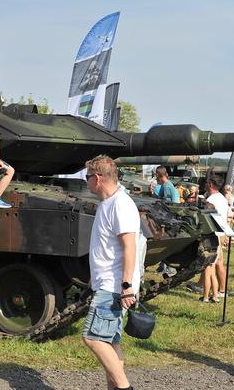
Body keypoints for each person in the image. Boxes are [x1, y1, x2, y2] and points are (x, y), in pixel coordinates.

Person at [82, 155, 139, 390]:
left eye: (87, 178)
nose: (86, 182)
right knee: (110, 342)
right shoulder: (108, 203)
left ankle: (125, 388)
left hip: (114, 286)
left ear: (97, 178)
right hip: (108, 282)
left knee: (92, 337)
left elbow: (130, 246)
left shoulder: (120, 204)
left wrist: (126, 287)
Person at [200, 174, 229, 302]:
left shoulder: (211, 199)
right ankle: (219, 291)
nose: (205, 185)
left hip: (213, 234)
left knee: (209, 267)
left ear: (211, 184)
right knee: (218, 264)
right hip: (221, 233)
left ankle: (209, 295)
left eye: (207, 183)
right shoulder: (222, 198)